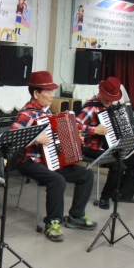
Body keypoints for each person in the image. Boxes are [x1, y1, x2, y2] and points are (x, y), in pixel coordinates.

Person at [10, 71, 96, 242]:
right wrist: (35, 138)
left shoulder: (47, 112)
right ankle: (53, 223)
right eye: (48, 91)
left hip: (50, 161)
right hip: (29, 161)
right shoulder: (27, 113)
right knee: (57, 180)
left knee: (86, 175)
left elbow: (57, 139)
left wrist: (76, 138)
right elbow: (12, 137)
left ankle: (76, 216)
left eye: (52, 91)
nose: (52, 95)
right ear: (36, 94)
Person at [76, 77, 134, 210]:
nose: (109, 101)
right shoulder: (91, 107)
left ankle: (122, 194)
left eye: (112, 98)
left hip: (112, 148)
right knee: (118, 165)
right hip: (92, 148)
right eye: (107, 97)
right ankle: (105, 197)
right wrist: (94, 130)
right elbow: (74, 126)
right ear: (101, 92)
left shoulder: (115, 108)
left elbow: (124, 127)